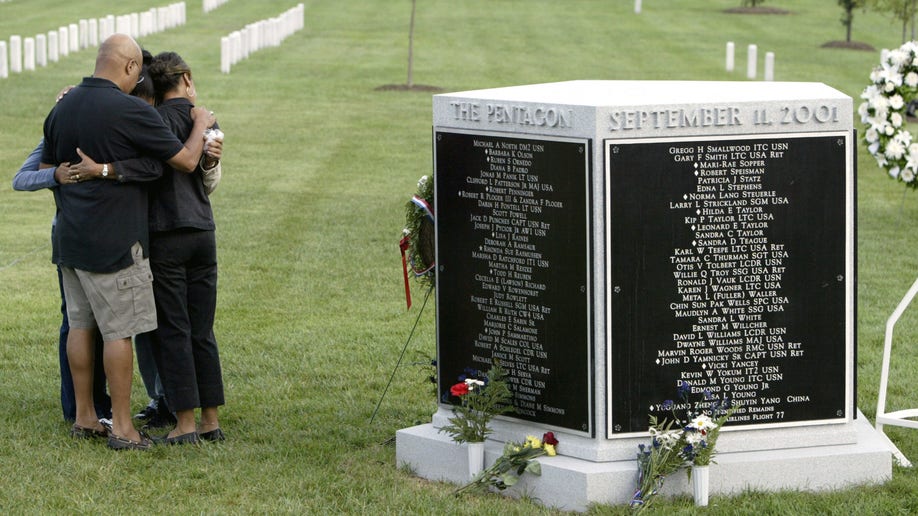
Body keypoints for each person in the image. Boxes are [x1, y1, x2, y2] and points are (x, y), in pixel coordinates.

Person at [39, 33, 215, 450]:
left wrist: (101, 170)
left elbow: (49, 168)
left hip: (70, 237)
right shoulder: (132, 109)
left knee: (80, 327)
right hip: (114, 241)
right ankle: (122, 426)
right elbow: (184, 160)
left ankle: (85, 416)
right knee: (118, 332)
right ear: (132, 67)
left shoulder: (62, 106)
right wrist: (203, 125)